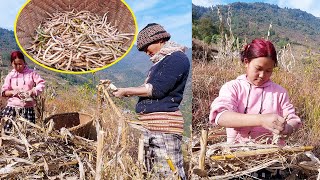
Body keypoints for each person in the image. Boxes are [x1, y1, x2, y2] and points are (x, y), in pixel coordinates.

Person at [113, 23, 190, 179]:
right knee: (152, 173)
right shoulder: (159, 62)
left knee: (170, 173)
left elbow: (156, 89)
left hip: (164, 128)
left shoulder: (176, 58)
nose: (146, 52)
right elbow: (149, 88)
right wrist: (126, 92)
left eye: (146, 47)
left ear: (159, 40)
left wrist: (126, 90)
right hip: (151, 127)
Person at [209, 39, 301, 144]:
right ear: (246, 62)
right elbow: (220, 117)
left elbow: (293, 119)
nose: (262, 75)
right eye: (258, 68)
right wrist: (261, 120)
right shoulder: (233, 87)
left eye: (268, 71)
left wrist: (288, 128)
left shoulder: (279, 92)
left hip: (272, 154)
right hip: (237, 153)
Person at [1, 50, 45, 131]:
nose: (18, 67)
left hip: (28, 109)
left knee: (28, 134)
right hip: (12, 108)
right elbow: (4, 92)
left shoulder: (31, 73)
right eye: (15, 64)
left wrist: (33, 91)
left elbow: (41, 84)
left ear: (24, 62)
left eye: (20, 64)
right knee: (7, 132)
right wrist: (12, 92)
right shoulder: (10, 76)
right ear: (12, 64)